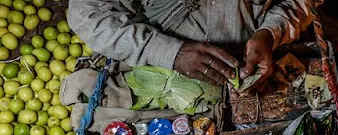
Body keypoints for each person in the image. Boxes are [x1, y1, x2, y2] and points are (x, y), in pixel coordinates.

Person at [67, 0, 323, 87]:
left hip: (260, 53)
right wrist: (169, 52)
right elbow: (86, 16)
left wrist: (270, 32)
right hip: (167, 67)